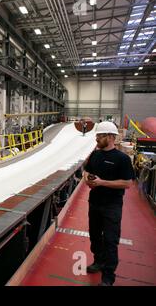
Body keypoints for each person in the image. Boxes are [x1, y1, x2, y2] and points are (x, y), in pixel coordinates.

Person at [83, 121, 134, 286]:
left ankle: (108, 278)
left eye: (100, 135)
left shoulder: (122, 159)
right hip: (95, 203)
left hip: (112, 206)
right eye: (97, 135)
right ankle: (98, 261)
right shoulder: (96, 154)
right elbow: (87, 170)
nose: (97, 138)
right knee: (95, 236)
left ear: (111, 137)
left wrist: (102, 182)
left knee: (111, 241)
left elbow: (127, 183)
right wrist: (87, 178)